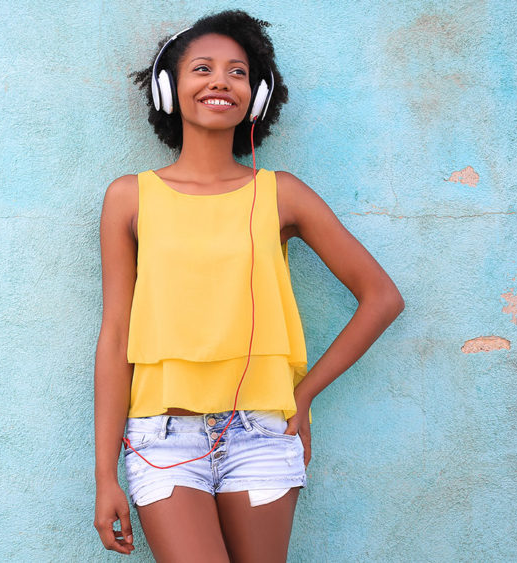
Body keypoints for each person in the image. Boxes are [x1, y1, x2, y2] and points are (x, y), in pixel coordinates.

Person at [93, 9, 405, 562]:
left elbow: (381, 298)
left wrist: (303, 395)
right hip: (163, 439)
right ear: (169, 88)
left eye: (238, 71)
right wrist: (103, 477)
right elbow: (115, 334)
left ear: (256, 98)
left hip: (261, 436)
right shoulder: (129, 198)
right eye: (202, 69)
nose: (220, 81)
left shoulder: (282, 193)